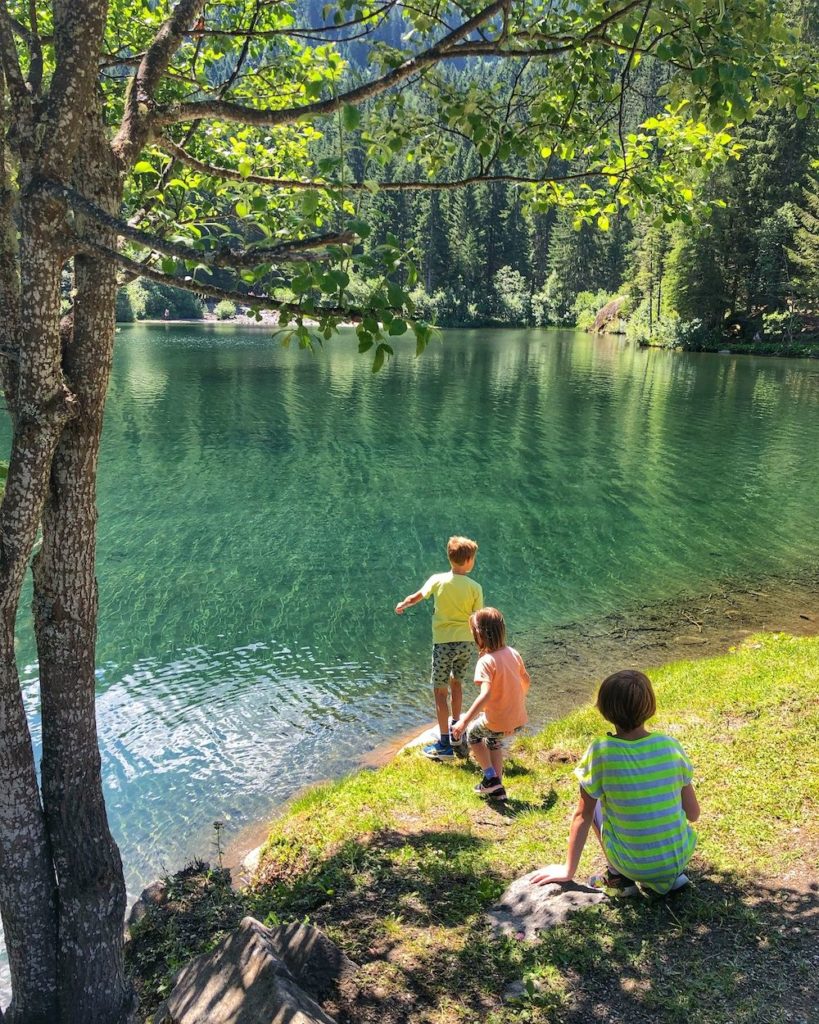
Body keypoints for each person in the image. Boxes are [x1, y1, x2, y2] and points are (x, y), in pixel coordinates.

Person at [531, 669, 699, 894]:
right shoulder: (670, 746)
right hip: (677, 859)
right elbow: (693, 814)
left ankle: (618, 878)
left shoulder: (601, 751)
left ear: (604, 710)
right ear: (650, 706)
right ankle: (671, 874)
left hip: (631, 864)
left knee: (595, 802)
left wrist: (567, 870)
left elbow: (583, 816)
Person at [395, 536, 483, 761]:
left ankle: (444, 742)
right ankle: (457, 731)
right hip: (465, 643)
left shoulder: (437, 579)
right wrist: (482, 645)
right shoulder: (475, 587)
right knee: (457, 684)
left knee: (440, 691)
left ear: (450, 558)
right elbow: (477, 619)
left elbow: (418, 596)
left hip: (443, 643)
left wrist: (404, 604)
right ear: (469, 561)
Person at [450, 607, 530, 802]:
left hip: (497, 721)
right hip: (518, 719)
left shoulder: (486, 661)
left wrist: (463, 721)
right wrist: (515, 700)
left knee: (474, 737)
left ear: (479, 635)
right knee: (493, 741)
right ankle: (498, 788)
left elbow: (485, 696)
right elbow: (526, 680)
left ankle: (490, 776)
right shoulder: (512, 653)